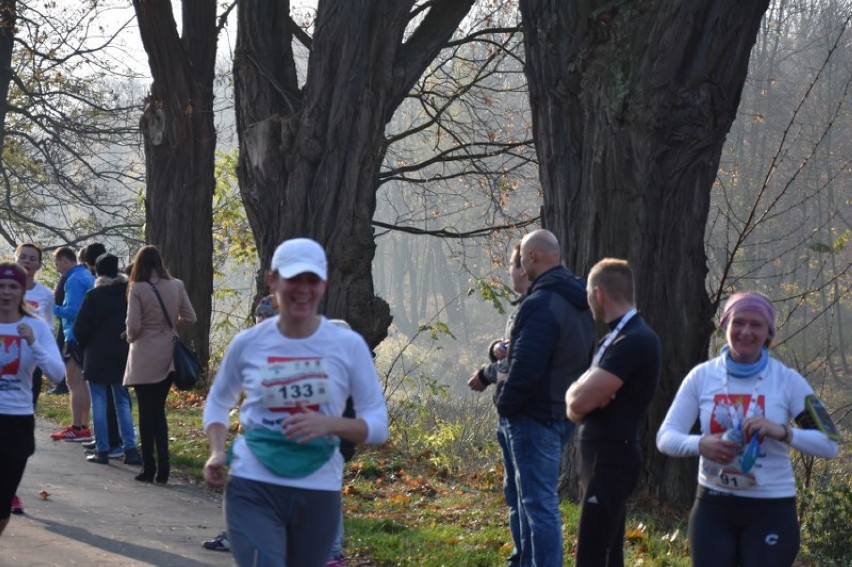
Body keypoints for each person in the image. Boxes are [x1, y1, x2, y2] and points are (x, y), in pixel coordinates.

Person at [203, 237, 389, 567]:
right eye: (294, 279)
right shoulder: (249, 343)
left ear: (324, 285)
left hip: (317, 487)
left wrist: (329, 424)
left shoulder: (347, 345)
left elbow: (377, 426)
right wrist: (217, 450)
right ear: (273, 281)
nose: (303, 289)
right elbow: (218, 401)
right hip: (254, 482)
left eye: (312, 280)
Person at [656, 292, 839, 567]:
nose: (745, 331)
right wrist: (701, 444)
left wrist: (784, 432)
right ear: (725, 325)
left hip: (771, 508)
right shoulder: (702, 377)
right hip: (713, 507)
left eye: (756, 325)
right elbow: (665, 437)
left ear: (769, 333)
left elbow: (830, 444)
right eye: (738, 322)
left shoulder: (787, 381)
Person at [495, 229, 595, 566]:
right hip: (559, 413)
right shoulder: (579, 300)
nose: (520, 264)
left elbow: (526, 365)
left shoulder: (542, 303)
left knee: (539, 506)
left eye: (522, 256)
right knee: (530, 501)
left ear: (533, 257)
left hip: (533, 417)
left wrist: (506, 407)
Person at [565, 259, 661, 566]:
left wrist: (579, 395)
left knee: (594, 554)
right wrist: (580, 393)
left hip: (611, 459)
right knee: (606, 551)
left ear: (598, 294)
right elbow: (577, 397)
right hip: (600, 457)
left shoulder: (634, 340)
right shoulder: (612, 339)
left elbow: (578, 404)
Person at [467, 243, 529, 566]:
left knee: (526, 496)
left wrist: (485, 374)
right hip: (508, 417)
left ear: (524, 269)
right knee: (513, 493)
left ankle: (528, 558)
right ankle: (520, 556)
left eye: (512, 266)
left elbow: (519, 364)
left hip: (522, 417)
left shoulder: (535, 309)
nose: (509, 271)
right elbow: (508, 352)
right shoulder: (520, 308)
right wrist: (494, 349)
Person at [0, 262, 65, 535]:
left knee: (2, 504)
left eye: (12, 286)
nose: (6, 292)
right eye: (1, 286)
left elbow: (57, 374)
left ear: (22, 290)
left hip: (17, 421)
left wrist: (33, 345)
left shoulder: (35, 327)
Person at [123, 245, 196, 484]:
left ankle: (148, 467)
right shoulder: (177, 285)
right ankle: (164, 467)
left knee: (146, 412)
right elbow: (191, 317)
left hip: (144, 352)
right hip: (168, 352)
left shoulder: (138, 287)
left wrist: (131, 338)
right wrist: (172, 329)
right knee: (159, 412)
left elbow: (133, 325)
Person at [73, 253, 142, 466]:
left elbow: (79, 328)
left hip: (96, 354)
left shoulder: (94, 295)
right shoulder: (128, 294)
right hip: (122, 353)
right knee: (122, 401)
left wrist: (84, 346)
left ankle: (102, 449)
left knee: (100, 402)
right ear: (118, 269)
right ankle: (129, 449)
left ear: (98, 272)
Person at [11, 243, 54, 515]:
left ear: (39, 265)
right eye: (22, 257)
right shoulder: (3, 286)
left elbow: (47, 331)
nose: (27, 262)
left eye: (32, 259)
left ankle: (10, 488)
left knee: (18, 438)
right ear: (14, 260)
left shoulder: (45, 295)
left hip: (28, 372)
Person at [49, 246, 95, 441]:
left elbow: (72, 311)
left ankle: (77, 427)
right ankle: (83, 426)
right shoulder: (86, 275)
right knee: (82, 383)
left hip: (74, 334)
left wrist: (52, 307)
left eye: (57, 262)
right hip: (87, 335)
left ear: (65, 259)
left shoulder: (74, 280)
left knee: (73, 382)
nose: (56, 266)